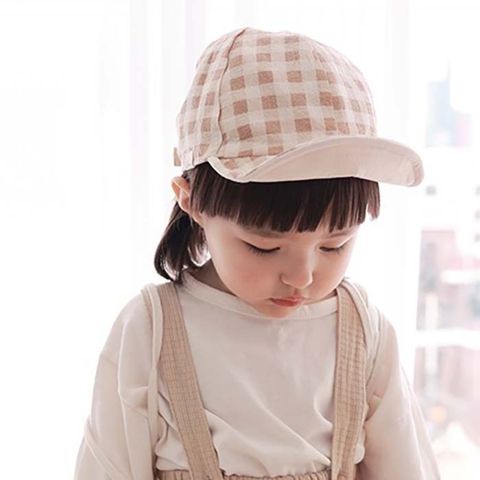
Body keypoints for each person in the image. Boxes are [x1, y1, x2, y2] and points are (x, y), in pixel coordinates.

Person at [74, 27, 441, 480]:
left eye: (334, 244)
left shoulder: (363, 332)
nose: (302, 277)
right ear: (191, 201)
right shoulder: (150, 331)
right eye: (264, 246)